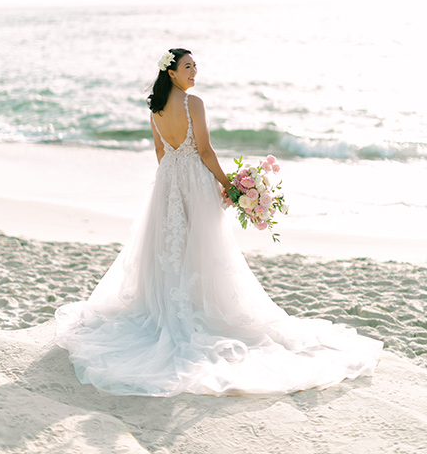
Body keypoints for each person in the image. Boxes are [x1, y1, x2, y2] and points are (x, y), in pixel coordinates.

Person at [55, 48, 383, 397]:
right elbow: (206, 151)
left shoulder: (155, 108)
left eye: (195, 65)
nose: (195, 71)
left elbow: (160, 152)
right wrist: (229, 186)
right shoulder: (192, 103)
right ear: (172, 73)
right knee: (204, 247)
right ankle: (199, 305)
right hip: (194, 179)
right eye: (187, 66)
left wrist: (169, 184)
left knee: (170, 247)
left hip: (167, 180)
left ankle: (171, 303)